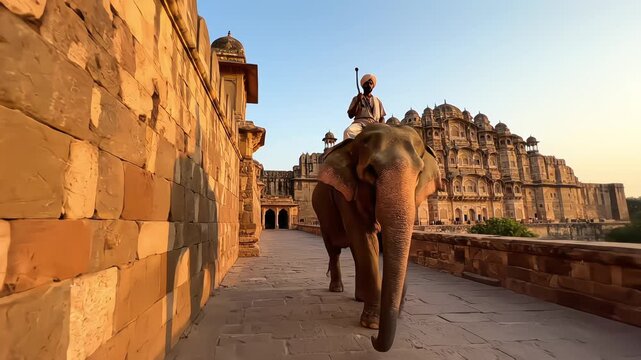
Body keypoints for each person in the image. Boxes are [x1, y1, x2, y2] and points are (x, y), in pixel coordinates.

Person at [344, 74, 386, 140]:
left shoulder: (377, 101)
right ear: (363, 85)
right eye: (366, 83)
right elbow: (350, 115)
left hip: (375, 125)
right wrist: (358, 101)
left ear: (373, 86)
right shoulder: (356, 98)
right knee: (348, 132)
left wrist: (382, 126)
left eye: (371, 83)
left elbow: (382, 117)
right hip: (360, 123)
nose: (369, 85)